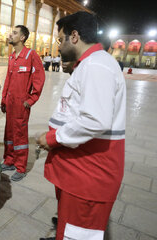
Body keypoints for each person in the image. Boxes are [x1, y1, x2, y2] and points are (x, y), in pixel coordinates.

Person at [37, 11, 126, 240]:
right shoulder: (89, 64)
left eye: (60, 39)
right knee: (69, 229)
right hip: (78, 171)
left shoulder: (97, 65)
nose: (58, 46)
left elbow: (95, 119)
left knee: (78, 235)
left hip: (88, 174)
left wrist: (52, 139)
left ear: (74, 36)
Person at [0, 25, 45, 181]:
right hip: (10, 102)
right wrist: (4, 98)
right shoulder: (13, 57)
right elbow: (8, 79)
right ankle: (9, 160)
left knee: (19, 134)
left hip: (22, 103)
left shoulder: (31, 55)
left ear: (22, 37)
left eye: (14, 33)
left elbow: (39, 79)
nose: (10, 35)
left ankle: (21, 167)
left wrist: (31, 99)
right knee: (9, 132)